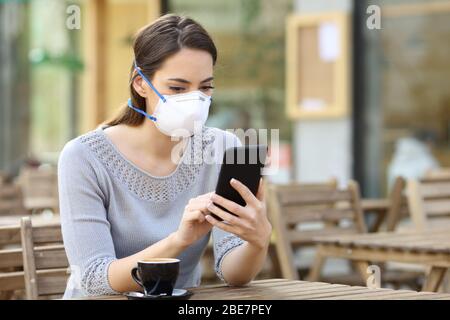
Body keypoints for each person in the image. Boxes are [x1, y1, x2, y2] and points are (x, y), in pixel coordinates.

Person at [58, 14, 272, 298]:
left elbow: (232, 273)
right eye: (178, 88)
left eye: (205, 87)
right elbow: (95, 279)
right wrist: (179, 241)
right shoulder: (83, 157)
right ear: (140, 83)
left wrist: (257, 241)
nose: (194, 101)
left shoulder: (223, 148)